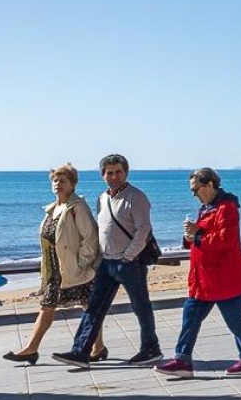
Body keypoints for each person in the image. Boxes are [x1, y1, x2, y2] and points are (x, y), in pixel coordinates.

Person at [54, 154, 162, 370]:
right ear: (103, 175)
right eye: (109, 172)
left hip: (128, 263)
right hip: (106, 263)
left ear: (126, 173)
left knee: (141, 307)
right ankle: (80, 351)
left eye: (118, 172)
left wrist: (128, 255)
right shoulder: (102, 198)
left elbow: (143, 229)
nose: (114, 176)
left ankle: (151, 349)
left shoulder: (136, 197)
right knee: (94, 307)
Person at [155, 168, 241, 378]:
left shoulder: (227, 207)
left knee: (235, 320)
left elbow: (224, 240)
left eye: (196, 189)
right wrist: (189, 234)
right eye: (192, 190)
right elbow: (201, 236)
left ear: (210, 184)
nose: (194, 194)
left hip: (224, 277)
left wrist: (197, 234)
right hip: (205, 279)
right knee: (190, 315)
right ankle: (182, 360)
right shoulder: (207, 207)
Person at [3, 164, 105, 366]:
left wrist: (81, 263)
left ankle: (33, 349)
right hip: (55, 270)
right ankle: (96, 347)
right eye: (55, 180)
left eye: (63, 181)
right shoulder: (52, 209)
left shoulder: (77, 207)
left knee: (87, 308)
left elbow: (91, 237)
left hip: (73, 270)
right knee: (55, 307)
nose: (58, 184)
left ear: (72, 185)